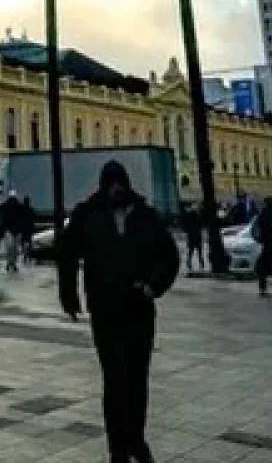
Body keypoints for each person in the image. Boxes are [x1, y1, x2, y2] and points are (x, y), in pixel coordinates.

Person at [58, 161, 179, 463]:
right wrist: (69, 296)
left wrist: (154, 285)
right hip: (105, 308)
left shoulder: (145, 216)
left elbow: (169, 256)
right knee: (115, 379)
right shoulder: (87, 214)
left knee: (138, 379)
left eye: (120, 182)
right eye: (111, 182)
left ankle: (136, 438)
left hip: (139, 307)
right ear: (104, 184)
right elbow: (67, 256)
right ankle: (118, 448)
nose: (117, 188)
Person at [181, 203, 205, 271]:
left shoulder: (190, 216)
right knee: (198, 250)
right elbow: (201, 224)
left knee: (191, 250)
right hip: (196, 234)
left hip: (192, 235)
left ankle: (190, 262)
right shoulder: (197, 216)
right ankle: (200, 262)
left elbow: (186, 224)